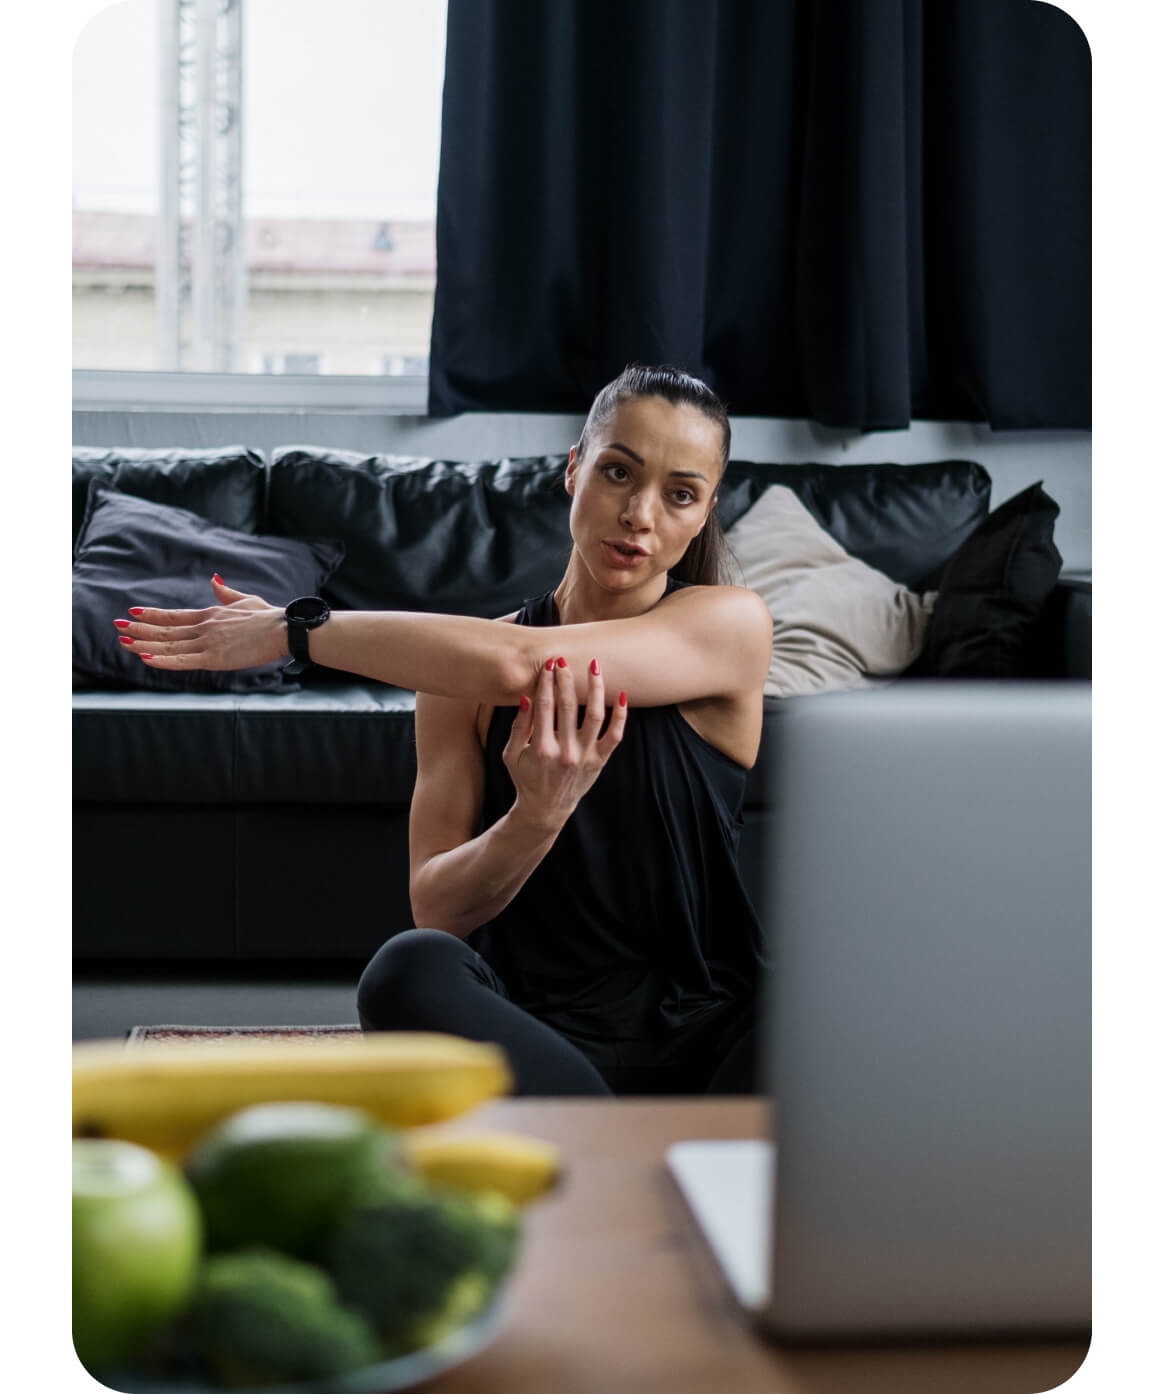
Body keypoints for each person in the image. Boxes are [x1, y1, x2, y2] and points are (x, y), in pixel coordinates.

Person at [115, 365, 774, 1096]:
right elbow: (439, 908)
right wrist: (536, 817)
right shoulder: (457, 682)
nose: (641, 514)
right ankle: (610, 1129)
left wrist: (294, 631)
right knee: (410, 964)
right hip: (534, 1038)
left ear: (706, 509)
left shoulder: (730, 625)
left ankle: (592, 1140)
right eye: (619, 472)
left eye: (680, 494)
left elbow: (526, 664)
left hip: (712, 1036)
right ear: (573, 469)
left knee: (818, 1004)